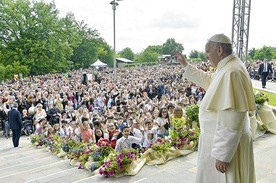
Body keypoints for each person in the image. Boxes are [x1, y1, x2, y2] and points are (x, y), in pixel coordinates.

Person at [175, 33, 256, 183]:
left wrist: (223, 155)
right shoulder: (227, 67)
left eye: (207, 51)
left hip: (227, 147)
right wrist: (186, 65)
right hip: (219, 142)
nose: (206, 55)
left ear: (219, 50)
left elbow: (232, 116)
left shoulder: (232, 71)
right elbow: (209, 80)